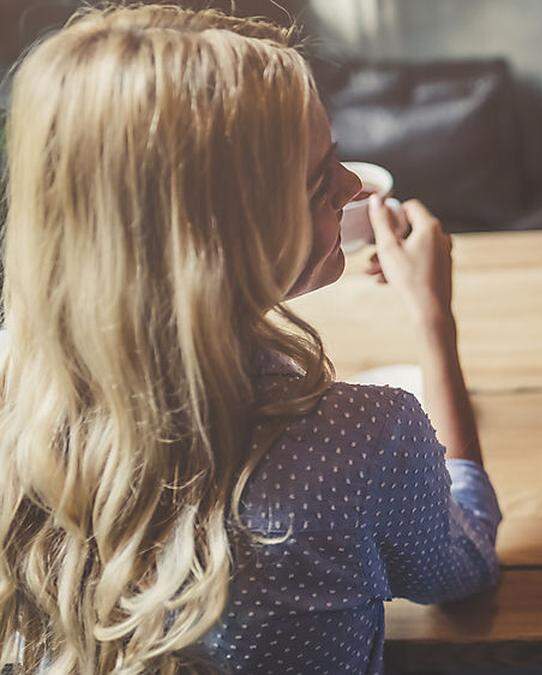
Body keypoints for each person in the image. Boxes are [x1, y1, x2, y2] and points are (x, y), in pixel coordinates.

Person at [0, 5, 498, 674]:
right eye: (322, 179)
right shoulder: (362, 435)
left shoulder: (16, 390)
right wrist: (435, 320)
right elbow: (463, 570)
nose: (352, 187)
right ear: (219, 243)